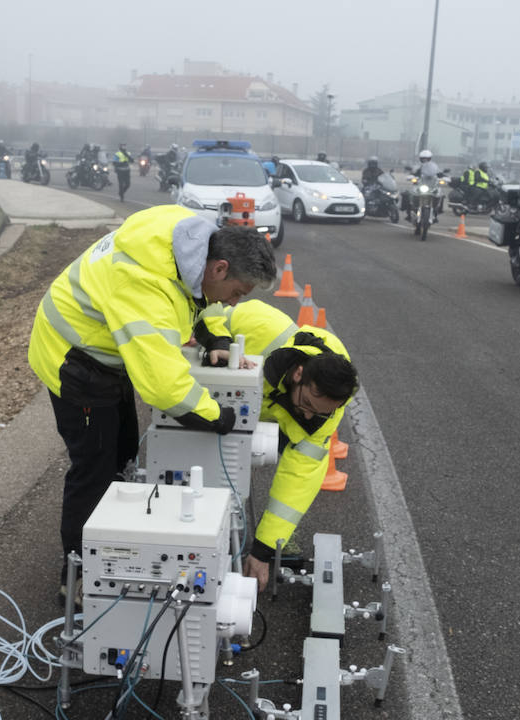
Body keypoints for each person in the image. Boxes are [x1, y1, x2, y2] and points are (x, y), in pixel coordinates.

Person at [27, 205, 278, 581]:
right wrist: (220, 417)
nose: (233, 303)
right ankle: (78, 576)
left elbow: (193, 295)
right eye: (237, 292)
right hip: (73, 359)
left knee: (125, 452)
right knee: (95, 468)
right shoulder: (144, 284)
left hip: (105, 352)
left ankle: (115, 539)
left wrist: (214, 336)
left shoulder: (189, 237)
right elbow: (164, 387)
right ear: (220, 268)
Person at [193, 300, 358, 591]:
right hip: (210, 398)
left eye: (319, 413)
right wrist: (214, 339)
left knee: (244, 461)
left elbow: (298, 481)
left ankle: (249, 536)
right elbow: (213, 309)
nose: (309, 415)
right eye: (307, 403)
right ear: (298, 374)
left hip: (268, 416)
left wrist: (263, 551)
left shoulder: (326, 413)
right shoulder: (265, 326)